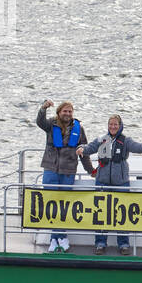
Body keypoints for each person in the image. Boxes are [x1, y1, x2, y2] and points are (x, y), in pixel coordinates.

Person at [79, 115, 142, 255]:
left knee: (122, 214)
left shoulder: (125, 141)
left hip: (121, 183)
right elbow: (89, 148)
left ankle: (123, 244)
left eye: (115, 125)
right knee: (101, 213)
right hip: (102, 181)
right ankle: (100, 243)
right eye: (111, 124)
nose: (113, 127)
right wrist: (81, 148)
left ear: (120, 126)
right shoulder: (102, 139)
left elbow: (138, 146)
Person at [36, 99, 95, 252]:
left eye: (70, 111)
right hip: (50, 169)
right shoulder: (51, 124)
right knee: (50, 204)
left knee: (63, 205)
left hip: (68, 171)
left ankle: (60, 237)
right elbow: (39, 121)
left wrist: (91, 170)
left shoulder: (79, 129)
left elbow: (84, 153)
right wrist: (43, 108)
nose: (67, 114)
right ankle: (55, 238)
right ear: (59, 112)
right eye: (65, 111)